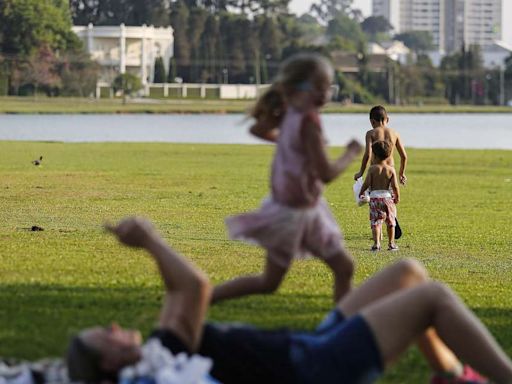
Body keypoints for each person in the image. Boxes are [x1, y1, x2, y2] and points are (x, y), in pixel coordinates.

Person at [67, 217, 512, 384]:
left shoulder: (159, 352)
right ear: (110, 367)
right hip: (312, 369)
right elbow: (193, 288)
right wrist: (150, 241)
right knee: (430, 297)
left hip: (304, 347)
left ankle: (452, 377)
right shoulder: (165, 362)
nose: (111, 328)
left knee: (408, 274)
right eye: (103, 338)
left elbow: (181, 293)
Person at [212, 53, 363, 303]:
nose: (327, 93)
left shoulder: (291, 113)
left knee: (340, 268)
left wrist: (288, 143)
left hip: (304, 210)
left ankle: (342, 325)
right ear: (303, 88)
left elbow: (257, 129)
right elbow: (326, 174)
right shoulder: (309, 121)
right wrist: (350, 153)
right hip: (292, 215)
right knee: (274, 281)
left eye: (328, 86)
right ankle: (203, 298)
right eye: (322, 86)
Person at [359, 140, 400, 251]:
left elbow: (367, 183)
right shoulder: (391, 170)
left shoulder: (372, 169)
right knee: (391, 221)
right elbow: (395, 186)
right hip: (387, 198)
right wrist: (397, 196)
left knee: (376, 222)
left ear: (374, 155)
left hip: (374, 198)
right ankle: (391, 243)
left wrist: (361, 192)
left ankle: (376, 244)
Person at [354, 105, 408, 186]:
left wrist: (361, 172)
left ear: (372, 121)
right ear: (388, 119)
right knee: (390, 197)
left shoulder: (370, 133)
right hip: (390, 171)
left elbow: (368, 154)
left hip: (375, 171)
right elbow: (404, 156)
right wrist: (401, 173)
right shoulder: (395, 133)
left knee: (374, 196)